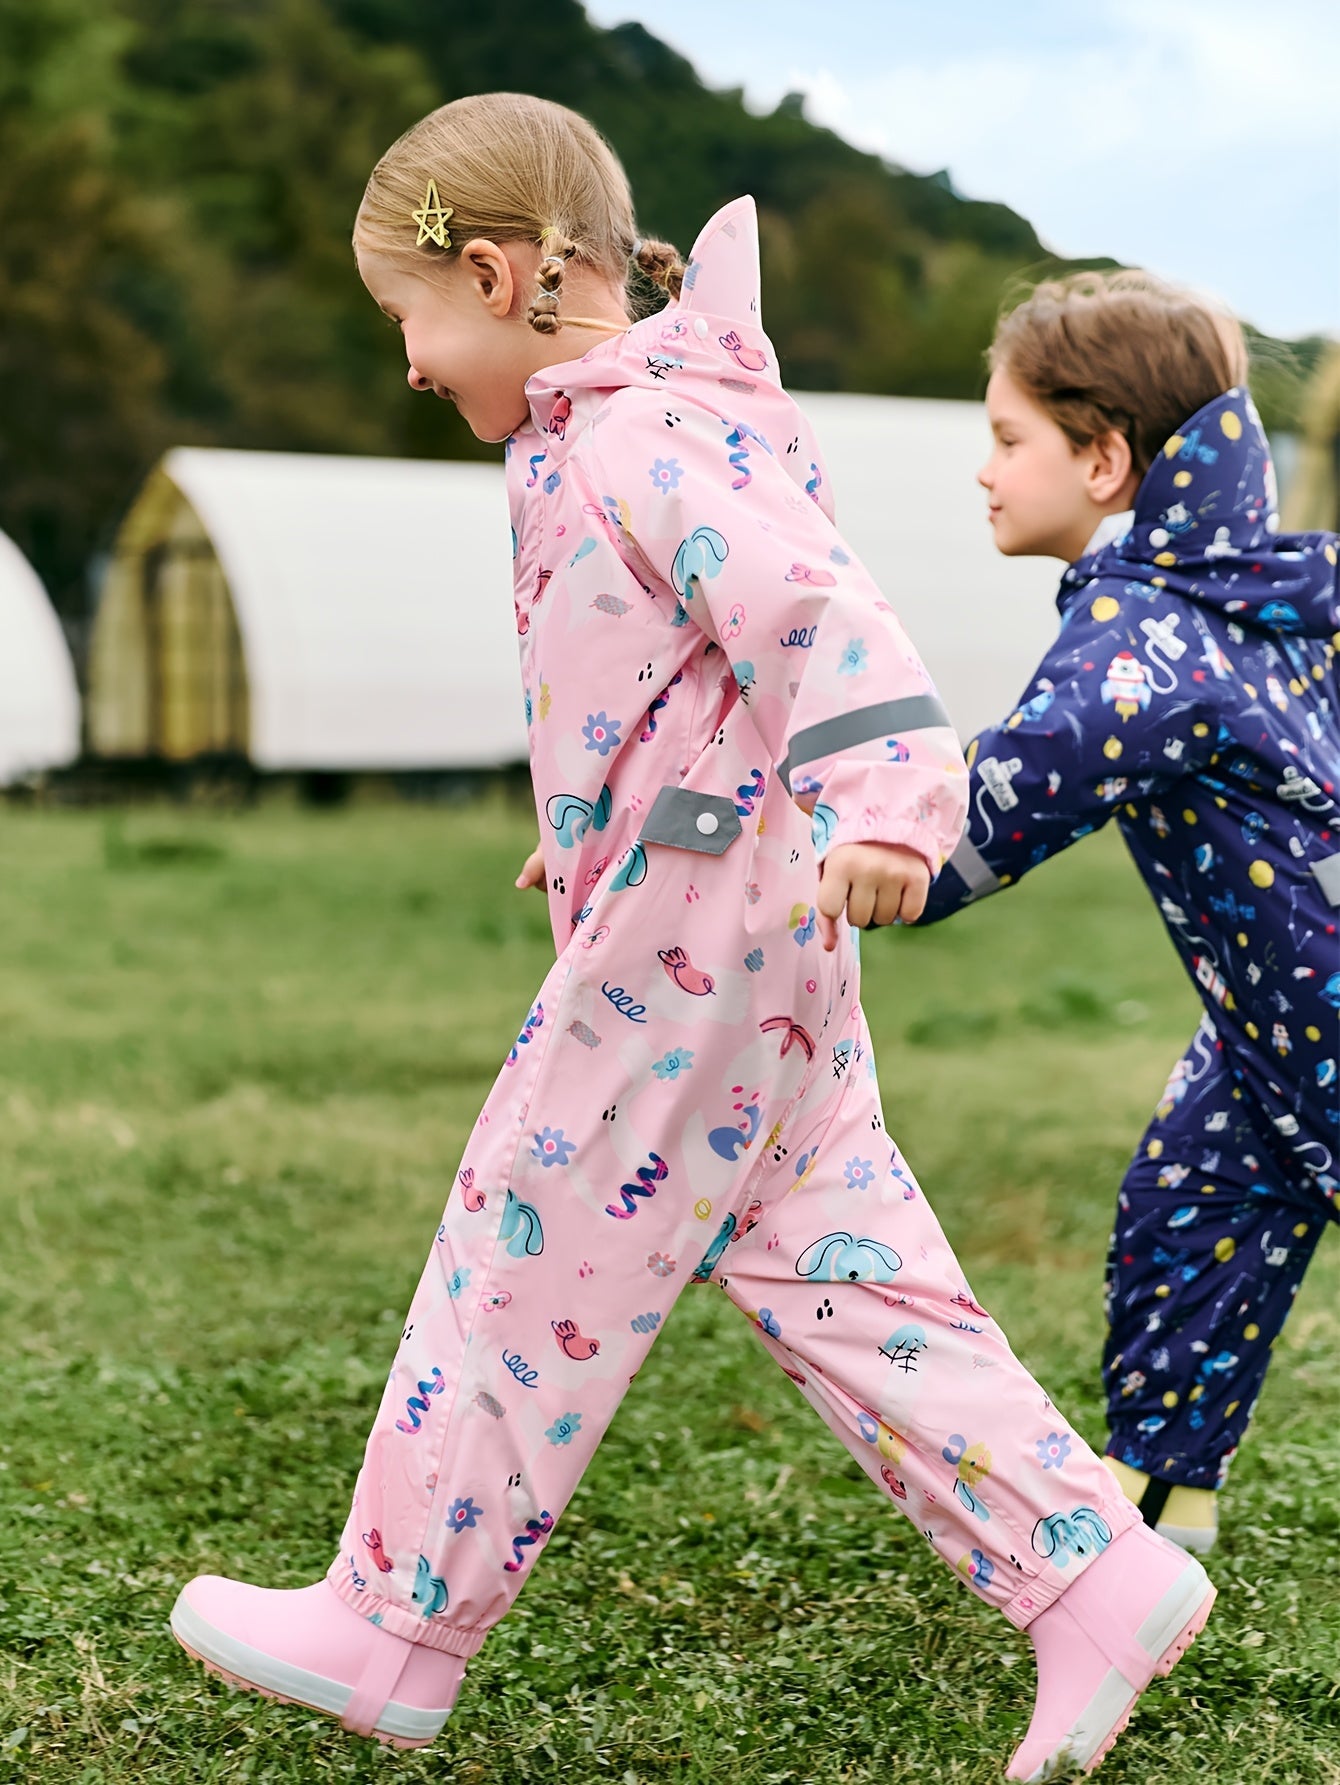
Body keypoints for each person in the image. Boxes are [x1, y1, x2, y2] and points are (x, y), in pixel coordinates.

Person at [169, 97, 1213, 1777]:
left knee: (529, 1236)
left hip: (702, 935)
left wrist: (891, 797)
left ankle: (395, 1622)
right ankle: (1092, 1573)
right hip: (723, 910)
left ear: (500, 276)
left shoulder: (633, 430)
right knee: (841, 1272)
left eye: (409, 322)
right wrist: (581, 823)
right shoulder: (637, 417)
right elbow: (684, 670)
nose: (412, 367)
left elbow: (813, 610)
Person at [916, 270, 1339, 1556]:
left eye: (1006, 438)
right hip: (1268, 1030)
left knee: (1199, 1196)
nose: (981, 471)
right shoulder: (1238, 592)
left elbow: (980, 827)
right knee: (1192, 1202)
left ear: (1103, 457)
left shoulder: (1140, 632)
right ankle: (1159, 1500)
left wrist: (805, 839)